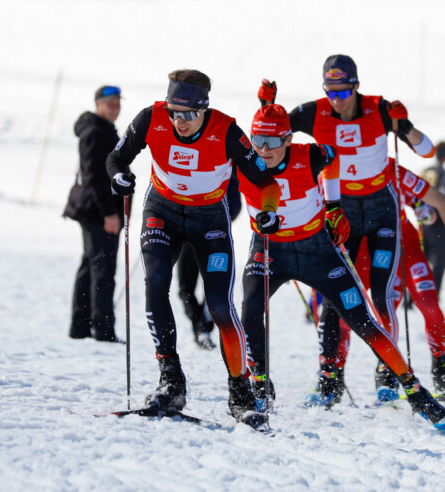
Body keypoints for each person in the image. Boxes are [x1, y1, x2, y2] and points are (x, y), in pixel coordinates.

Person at [239, 103, 445, 434]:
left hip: (318, 250)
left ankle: (418, 394)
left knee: (364, 321)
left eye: (272, 142)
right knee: (250, 307)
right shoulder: (245, 160)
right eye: (257, 140)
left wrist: (333, 206)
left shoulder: (310, 154)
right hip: (271, 250)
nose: (263, 150)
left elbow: (333, 159)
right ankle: (259, 383)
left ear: (288, 139)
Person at [273, 54, 445, 402]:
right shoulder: (312, 112)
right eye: (330, 92)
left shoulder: (379, 110)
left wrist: (404, 125)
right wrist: (266, 109)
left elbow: (426, 152)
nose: (337, 100)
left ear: (356, 86)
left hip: (382, 214)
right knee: (336, 299)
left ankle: (390, 372)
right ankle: (330, 378)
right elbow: (272, 139)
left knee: (383, 297)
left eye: (343, 91)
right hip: (342, 213)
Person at [105, 69, 281, 429]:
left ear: (204, 109)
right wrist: (118, 177)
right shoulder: (150, 118)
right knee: (154, 283)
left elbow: (267, 184)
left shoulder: (227, 130)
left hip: (209, 219)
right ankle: (171, 380)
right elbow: (116, 158)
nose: (177, 121)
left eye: (186, 114)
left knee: (219, 305)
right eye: (173, 111)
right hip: (162, 211)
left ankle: (241, 393)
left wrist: (269, 213)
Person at [332, 159, 445, 400]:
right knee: (354, 310)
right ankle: (336, 374)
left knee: (429, 305)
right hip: (366, 245)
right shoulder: (340, 167)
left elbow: (426, 201)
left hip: (404, 241)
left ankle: (440, 372)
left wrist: (423, 209)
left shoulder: (390, 167)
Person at [63, 85, 126, 342]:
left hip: (96, 211)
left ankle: (80, 327)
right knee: (102, 268)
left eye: (117, 103)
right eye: (109, 103)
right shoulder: (94, 132)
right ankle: (103, 330)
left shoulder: (103, 130)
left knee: (91, 266)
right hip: (97, 212)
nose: (115, 108)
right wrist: (109, 213)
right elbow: (93, 177)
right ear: (98, 104)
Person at [176, 172, 242, 349]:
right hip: (186, 238)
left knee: (213, 287)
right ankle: (200, 326)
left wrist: (216, 221)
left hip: (214, 238)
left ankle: (205, 328)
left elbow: (235, 207)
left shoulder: (227, 171)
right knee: (185, 288)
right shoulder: (188, 171)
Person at [419, 140, 445, 291]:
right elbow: (440, 198)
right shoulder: (443, 173)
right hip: (439, 221)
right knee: (440, 261)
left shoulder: (426, 170)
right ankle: (433, 295)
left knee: (422, 260)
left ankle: (412, 297)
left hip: (425, 221)